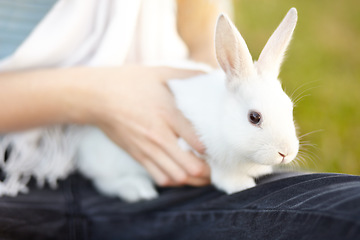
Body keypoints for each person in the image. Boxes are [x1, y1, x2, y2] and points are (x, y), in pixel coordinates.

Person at [0, 1, 359, 239]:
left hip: (169, 182)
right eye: (254, 118)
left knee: (347, 212)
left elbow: (205, 37)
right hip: (18, 172)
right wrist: (97, 96)